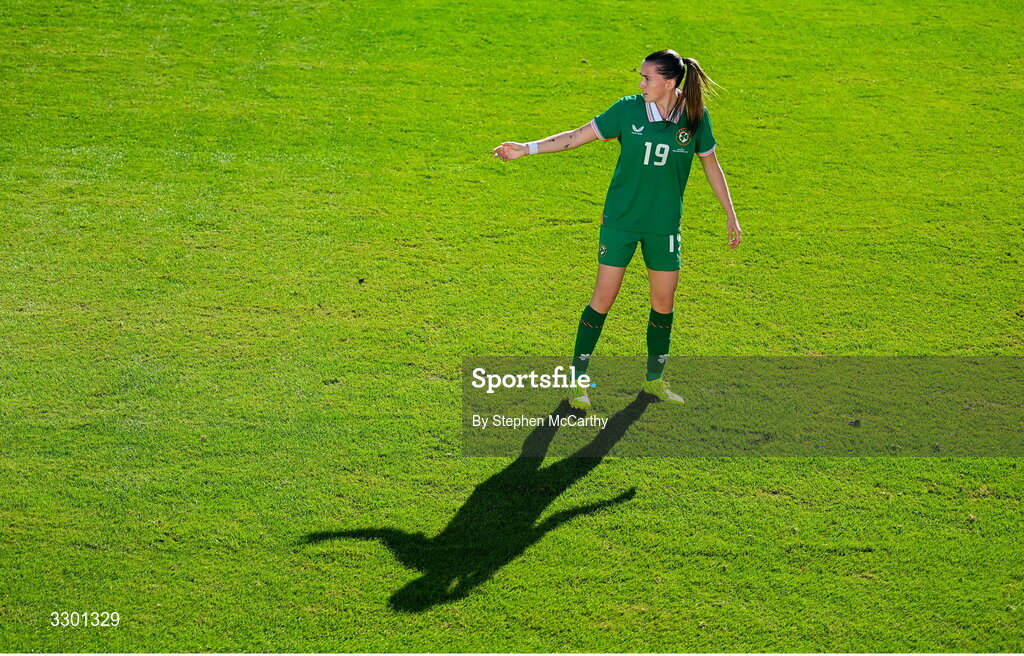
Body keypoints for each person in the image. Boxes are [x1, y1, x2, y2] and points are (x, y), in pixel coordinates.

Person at [491, 50, 742, 410]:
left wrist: (730, 214)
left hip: (664, 226)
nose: (640, 84)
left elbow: (711, 165)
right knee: (603, 299)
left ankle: (655, 380)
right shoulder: (627, 110)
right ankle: (578, 382)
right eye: (640, 77)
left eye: (647, 78)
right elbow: (577, 136)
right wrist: (526, 149)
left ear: (669, 83)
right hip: (621, 222)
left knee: (663, 303)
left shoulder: (695, 117)